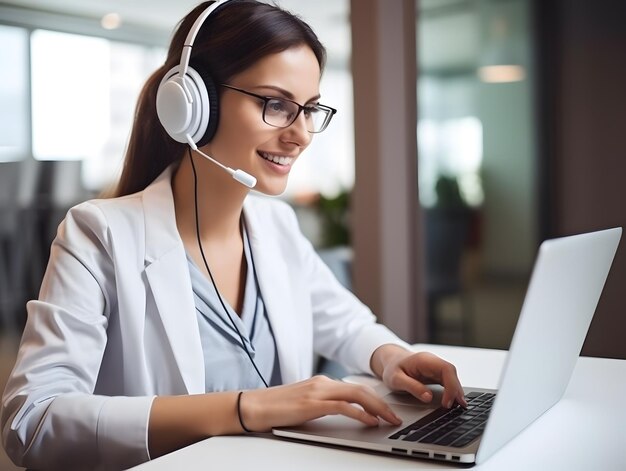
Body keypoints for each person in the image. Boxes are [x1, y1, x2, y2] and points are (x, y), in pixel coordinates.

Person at [1, 1, 466, 469]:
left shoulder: (276, 226)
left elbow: (343, 322)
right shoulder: (98, 234)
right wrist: (249, 408)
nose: (302, 134)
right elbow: (33, 422)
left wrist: (390, 357)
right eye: (277, 104)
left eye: (309, 110)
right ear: (193, 104)